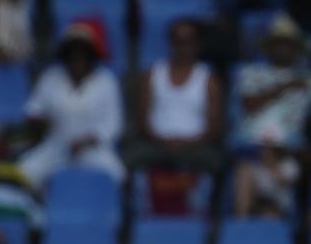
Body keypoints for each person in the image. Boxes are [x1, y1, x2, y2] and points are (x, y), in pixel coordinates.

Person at [232, 13, 311, 215]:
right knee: (244, 173)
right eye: (279, 43)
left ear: (296, 48)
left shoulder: (310, 81)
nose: (283, 48)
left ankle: (284, 226)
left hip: (287, 151)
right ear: (270, 46)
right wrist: (285, 87)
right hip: (252, 148)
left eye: (288, 44)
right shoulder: (251, 73)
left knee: (273, 209)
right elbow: (249, 104)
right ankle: (239, 232)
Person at [18, 20, 123, 188]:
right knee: (24, 172)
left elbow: (112, 125)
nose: (77, 57)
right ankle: (38, 211)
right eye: (73, 52)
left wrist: (85, 141)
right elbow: (33, 110)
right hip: (56, 146)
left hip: (94, 150)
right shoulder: (51, 77)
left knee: (117, 176)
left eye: (83, 52)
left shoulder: (106, 81)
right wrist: (40, 122)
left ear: (92, 55)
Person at [126, 18, 223, 174]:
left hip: (196, 146)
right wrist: (164, 141)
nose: (184, 47)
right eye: (179, 41)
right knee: (129, 159)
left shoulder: (209, 79)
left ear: (197, 43)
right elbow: (142, 122)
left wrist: (187, 143)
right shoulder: (152, 75)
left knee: (216, 161)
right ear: (171, 43)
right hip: (156, 144)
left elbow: (214, 129)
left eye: (189, 41)